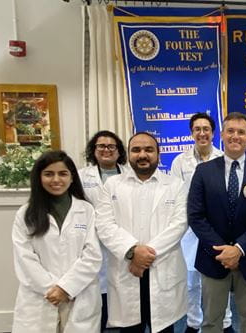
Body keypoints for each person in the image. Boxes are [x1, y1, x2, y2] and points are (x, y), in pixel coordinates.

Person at [188, 112, 246, 333]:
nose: (235, 136)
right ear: (222, 135)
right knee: (211, 321)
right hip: (213, 257)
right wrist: (224, 250)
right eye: (230, 131)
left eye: (241, 132)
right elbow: (196, 216)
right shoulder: (203, 171)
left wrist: (238, 249)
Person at [95, 132, 188, 333]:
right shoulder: (112, 185)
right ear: (128, 154)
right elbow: (104, 224)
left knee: (163, 327)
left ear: (158, 154)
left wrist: (144, 255)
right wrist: (132, 252)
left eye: (148, 150)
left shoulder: (176, 185)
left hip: (161, 266)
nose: (142, 154)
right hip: (127, 268)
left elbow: (179, 225)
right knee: (130, 329)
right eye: (136, 150)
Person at [12, 150, 102, 332]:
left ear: (72, 178)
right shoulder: (25, 214)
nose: (56, 180)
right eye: (48, 174)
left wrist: (67, 288)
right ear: (38, 177)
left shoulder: (87, 210)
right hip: (41, 296)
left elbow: (92, 255)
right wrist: (53, 289)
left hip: (78, 294)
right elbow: (25, 258)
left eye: (62, 173)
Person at [171, 113, 234, 333]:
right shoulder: (180, 161)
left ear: (213, 133)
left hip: (216, 229)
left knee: (220, 278)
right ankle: (193, 322)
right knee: (191, 281)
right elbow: (176, 196)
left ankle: (225, 322)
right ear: (191, 133)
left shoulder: (223, 158)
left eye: (206, 129)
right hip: (189, 229)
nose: (202, 133)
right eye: (197, 129)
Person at [79, 130, 127, 331]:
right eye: (101, 146)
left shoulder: (128, 174)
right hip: (92, 240)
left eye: (111, 146)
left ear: (118, 151)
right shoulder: (81, 176)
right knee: (97, 291)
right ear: (94, 150)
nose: (106, 150)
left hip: (120, 238)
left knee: (121, 288)